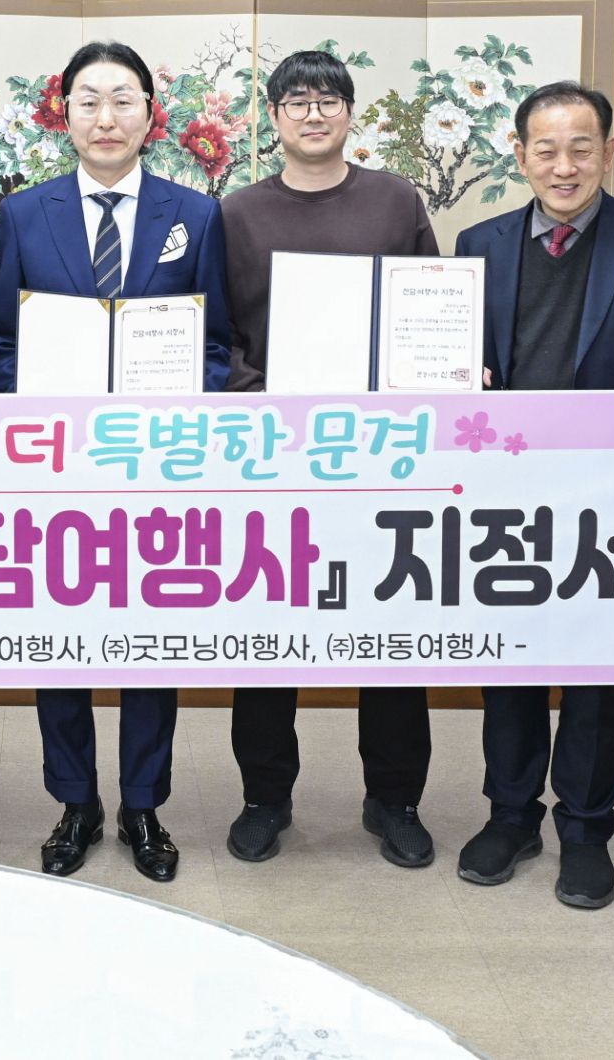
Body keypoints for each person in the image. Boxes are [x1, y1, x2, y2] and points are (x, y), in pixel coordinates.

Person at [451, 81, 614, 911]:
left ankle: (588, 829)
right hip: (509, 495)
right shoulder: (478, 244)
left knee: (597, 674)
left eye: (581, 148)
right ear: (520, 155)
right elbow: (454, 372)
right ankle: (511, 815)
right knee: (509, 662)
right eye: (547, 149)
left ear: (607, 152)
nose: (564, 167)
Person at [0, 40, 234, 883]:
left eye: (123, 99)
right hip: (55, 467)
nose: (105, 117)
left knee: (149, 642)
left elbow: (217, 344)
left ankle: (143, 804)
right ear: (65, 114)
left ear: (149, 116)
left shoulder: (194, 214)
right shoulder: (25, 213)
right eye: (88, 100)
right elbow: (2, 343)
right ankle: (75, 802)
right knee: (59, 640)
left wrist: (177, 409)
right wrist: (41, 411)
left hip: (156, 464)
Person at [216, 48, 441, 869]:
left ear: (351, 113)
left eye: (329, 100)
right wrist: (268, 403)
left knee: (388, 633)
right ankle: (264, 797)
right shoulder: (237, 213)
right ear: (273, 118)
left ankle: (395, 800)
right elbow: (220, 336)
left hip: (380, 455)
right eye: (297, 101)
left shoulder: (395, 200)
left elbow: (432, 312)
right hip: (273, 453)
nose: (313, 114)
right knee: (268, 635)